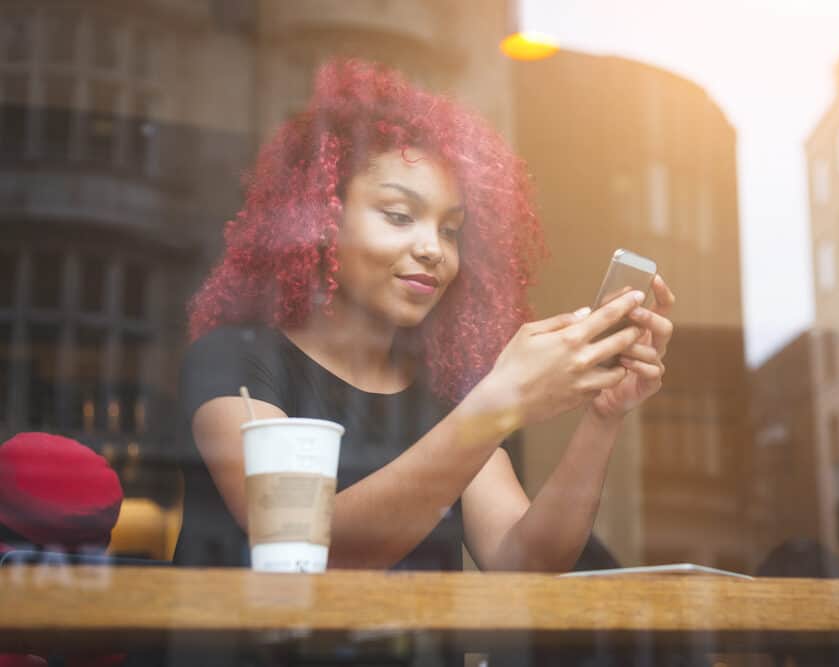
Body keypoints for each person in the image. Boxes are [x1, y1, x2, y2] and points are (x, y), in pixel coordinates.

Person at [172, 58, 675, 574]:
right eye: (398, 216)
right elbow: (309, 551)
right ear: (323, 219)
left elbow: (525, 563)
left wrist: (603, 416)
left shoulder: (441, 400)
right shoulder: (232, 363)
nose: (433, 249)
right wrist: (500, 403)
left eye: (451, 230)